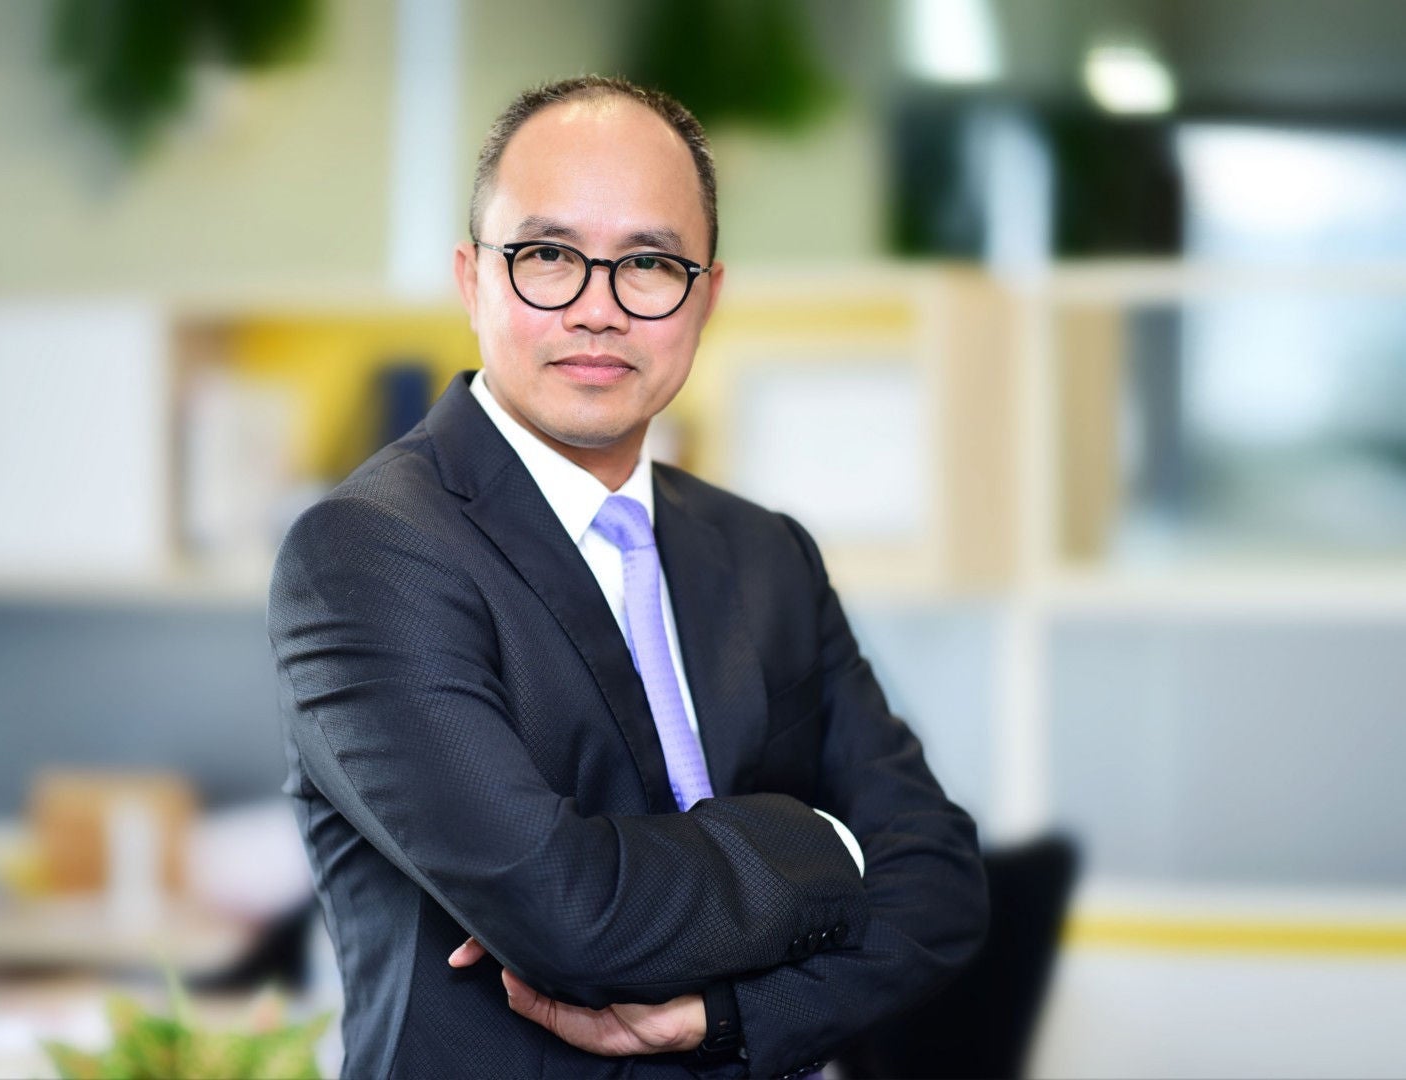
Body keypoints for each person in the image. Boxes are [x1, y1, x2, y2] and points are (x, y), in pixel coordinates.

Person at [268, 75, 987, 1079]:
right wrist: (833, 844)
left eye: (648, 263)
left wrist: (727, 1016)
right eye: (548, 256)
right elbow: (571, 917)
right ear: (473, 281)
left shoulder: (766, 552)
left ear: (708, 296)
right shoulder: (369, 553)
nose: (597, 309)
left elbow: (943, 883)